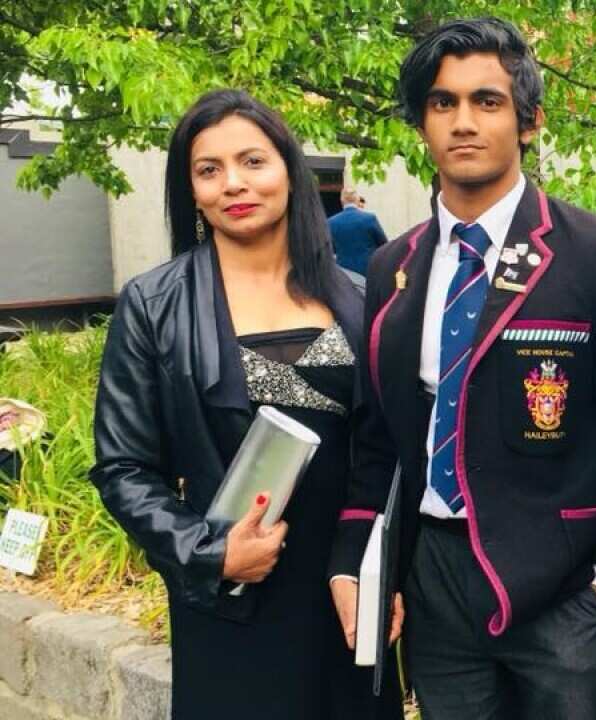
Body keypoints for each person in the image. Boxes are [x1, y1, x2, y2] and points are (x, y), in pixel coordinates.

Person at [328, 17, 596, 720]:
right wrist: (358, 556)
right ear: (422, 124)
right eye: (443, 103)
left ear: (528, 122)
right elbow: (379, 434)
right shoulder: (393, 266)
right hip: (437, 576)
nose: (464, 121)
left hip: (565, 586)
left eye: (488, 101)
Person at [89, 89, 402, 720]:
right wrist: (209, 551)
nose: (234, 183)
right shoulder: (155, 304)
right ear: (192, 189)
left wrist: (381, 565)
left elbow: (387, 449)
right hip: (233, 593)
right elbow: (122, 468)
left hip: (348, 585)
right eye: (209, 170)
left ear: (289, 167)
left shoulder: (362, 296)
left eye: (253, 161)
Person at [329, 186, 388, 276]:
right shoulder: (369, 219)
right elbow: (384, 245)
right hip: (367, 273)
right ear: (357, 200)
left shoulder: (331, 222)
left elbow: (330, 249)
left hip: (343, 275)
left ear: (341, 201)